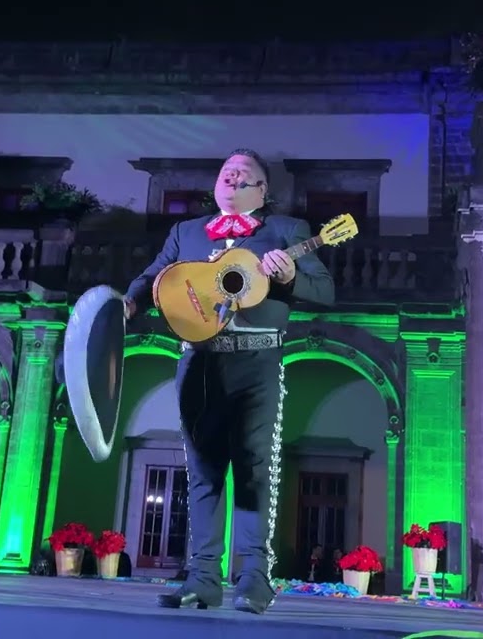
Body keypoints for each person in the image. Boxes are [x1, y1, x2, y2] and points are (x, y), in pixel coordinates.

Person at [125, 149, 335, 615]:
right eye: (226, 172)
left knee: (253, 470)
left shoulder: (285, 231)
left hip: (256, 359)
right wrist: (129, 303)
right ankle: (202, 578)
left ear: (262, 190)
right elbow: (150, 277)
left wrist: (292, 275)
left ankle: (254, 579)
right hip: (199, 361)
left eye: (244, 174)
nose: (233, 176)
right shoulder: (187, 232)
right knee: (201, 472)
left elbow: (326, 293)